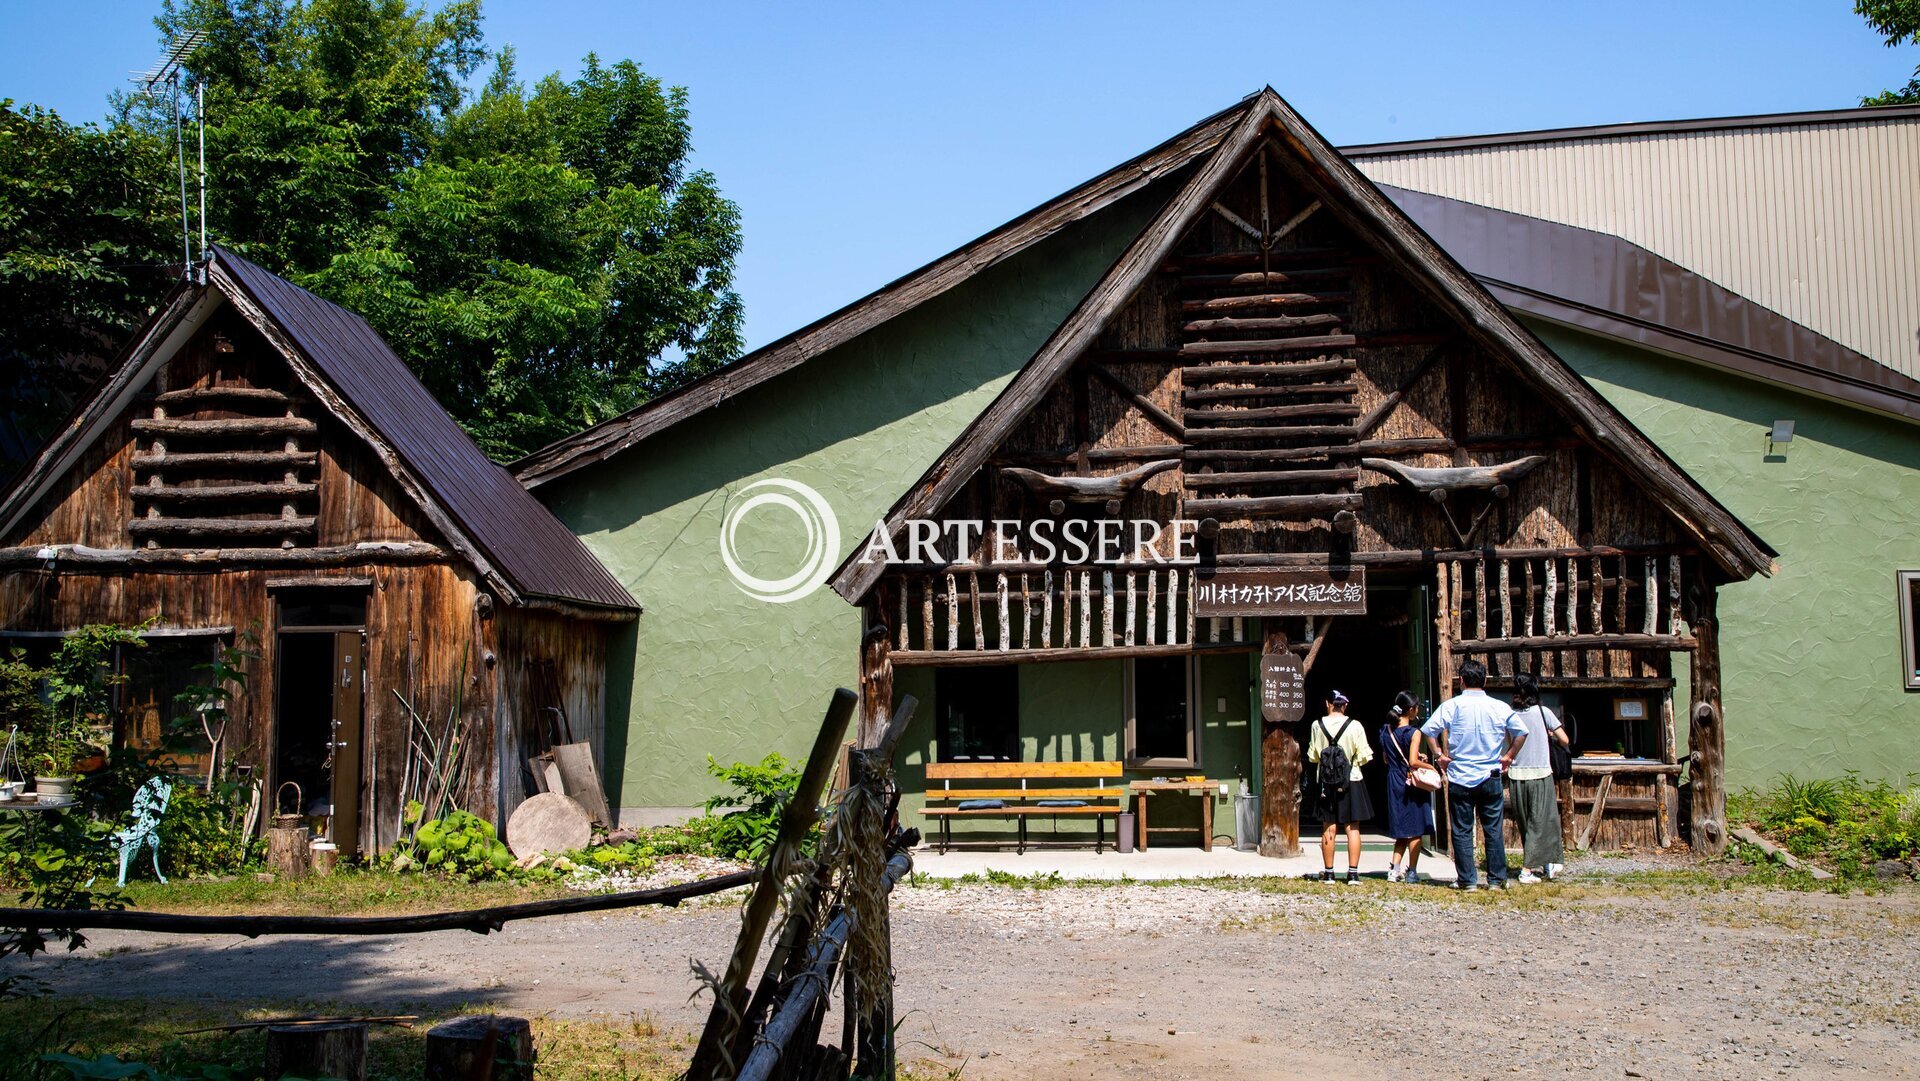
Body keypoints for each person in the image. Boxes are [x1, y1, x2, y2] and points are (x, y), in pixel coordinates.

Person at [1410, 659, 1528, 890]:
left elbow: (1428, 730)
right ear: (1484, 680)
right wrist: (1510, 755)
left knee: (1462, 830)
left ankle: (1467, 880)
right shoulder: (1498, 706)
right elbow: (1521, 732)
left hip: (1460, 774)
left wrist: (1439, 754)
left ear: (1461, 681)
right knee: (1493, 829)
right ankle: (1496, 879)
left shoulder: (1452, 706)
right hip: (1490, 772)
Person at [1506, 672, 1570, 883]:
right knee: (1543, 822)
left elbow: (1508, 744)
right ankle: (1526, 870)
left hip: (1516, 775)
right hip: (1541, 773)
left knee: (1527, 824)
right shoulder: (1544, 713)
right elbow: (1565, 740)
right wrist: (1549, 736)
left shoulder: (1511, 715)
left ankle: (1547, 863)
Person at [1306, 689, 1373, 885]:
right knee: (1353, 827)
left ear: (1327, 703)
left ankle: (1329, 873)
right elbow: (1364, 757)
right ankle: (1353, 874)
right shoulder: (1355, 726)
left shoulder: (1316, 725)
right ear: (1345, 705)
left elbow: (1313, 756)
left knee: (1328, 826)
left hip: (1326, 783)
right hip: (1351, 779)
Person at [1379, 691, 1433, 883]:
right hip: (1410, 781)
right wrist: (1430, 765)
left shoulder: (1386, 731)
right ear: (1411, 710)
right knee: (1416, 829)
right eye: (1417, 708)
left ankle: (1394, 870)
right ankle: (1412, 871)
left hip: (1394, 779)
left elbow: (1387, 758)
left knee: (1401, 828)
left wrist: (1416, 759)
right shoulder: (1414, 732)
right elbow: (1412, 761)